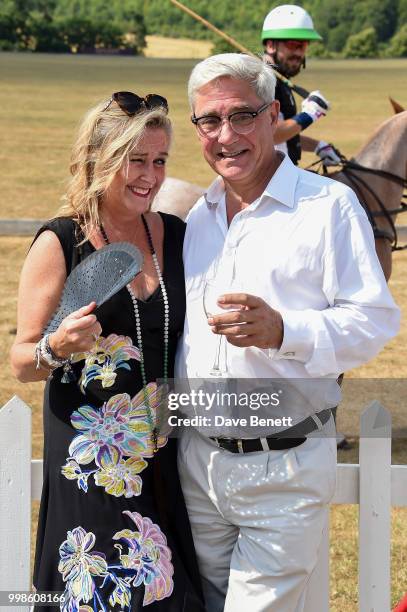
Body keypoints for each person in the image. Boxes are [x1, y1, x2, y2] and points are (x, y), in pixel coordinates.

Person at [175, 54, 400, 611]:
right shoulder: (199, 216)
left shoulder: (328, 207)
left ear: (275, 115)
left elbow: (373, 322)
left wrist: (282, 329)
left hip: (285, 465)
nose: (226, 135)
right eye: (209, 120)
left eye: (243, 116)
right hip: (197, 465)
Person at [11, 92, 204, 611]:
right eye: (135, 160)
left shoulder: (180, 236)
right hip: (92, 464)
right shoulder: (62, 242)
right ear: (99, 160)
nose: (151, 175)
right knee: (101, 592)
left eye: (160, 160)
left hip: (166, 460)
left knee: (169, 595)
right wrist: (57, 347)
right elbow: (22, 360)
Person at [262, 4, 341, 167]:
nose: (298, 53)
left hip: (284, 173)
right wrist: (310, 115)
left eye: (303, 45)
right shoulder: (261, 81)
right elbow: (270, 135)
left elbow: (285, 136)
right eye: (292, 44)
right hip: (267, 183)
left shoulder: (280, 81)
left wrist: (318, 146)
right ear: (271, 45)